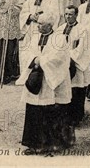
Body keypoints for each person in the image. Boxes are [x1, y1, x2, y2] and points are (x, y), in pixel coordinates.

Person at [16, 13, 73, 155]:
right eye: (38, 23)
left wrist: (40, 61)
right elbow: (25, 52)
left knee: (51, 113)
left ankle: (52, 144)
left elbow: (59, 58)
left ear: (50, 25)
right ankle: (34, 144)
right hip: (36, 79)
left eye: (41, 24)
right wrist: (34, 59)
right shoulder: (34, 37)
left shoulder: (59, 39)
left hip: (50, 80)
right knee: (34, 112)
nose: (38, 26)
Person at [56, 5, 90, 126]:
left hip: (76, 64)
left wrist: (69, 58)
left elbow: (81, 48)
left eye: (70, 14)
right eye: (66, 14)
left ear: (76, 15)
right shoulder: (60, 28)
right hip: (63, 64)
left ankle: (77, 117)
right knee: (65, 90)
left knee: (77, 90)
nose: (68, 17)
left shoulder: (82, 30)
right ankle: (65, 116)